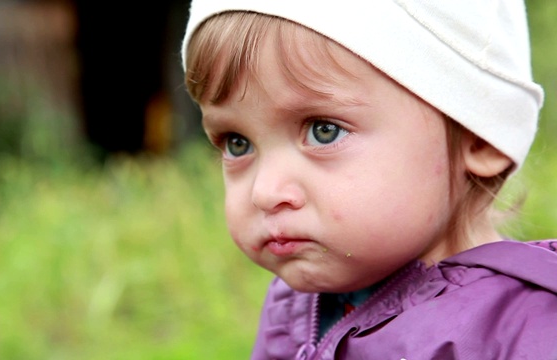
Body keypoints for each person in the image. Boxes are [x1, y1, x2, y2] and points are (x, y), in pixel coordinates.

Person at [180, 1, 557, 359]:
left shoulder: (526, 333)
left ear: (480, 137)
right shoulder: (294, 307)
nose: (264, 192)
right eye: (237, 142)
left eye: (323, 131)